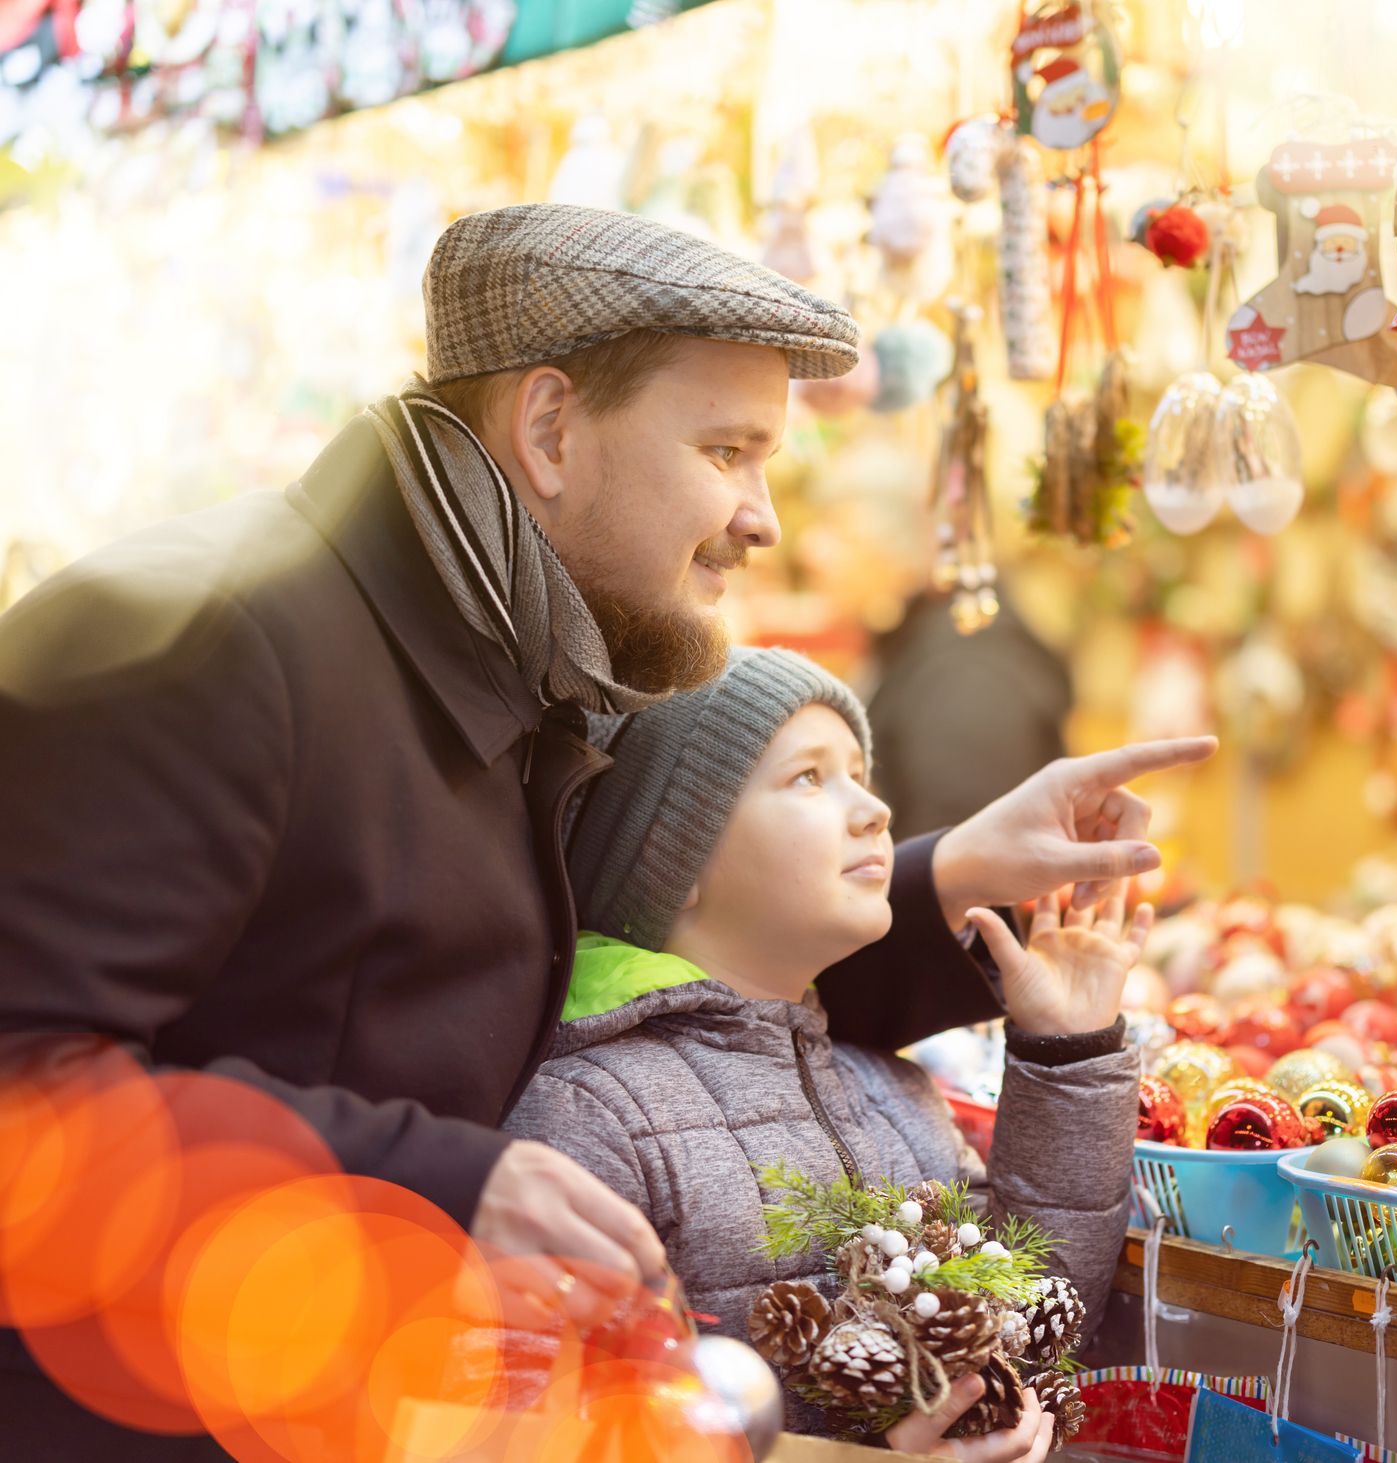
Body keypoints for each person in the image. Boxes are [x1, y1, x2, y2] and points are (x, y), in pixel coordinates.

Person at [0, 202, 1214, 1456]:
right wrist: (442, 1183)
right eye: (728, 450)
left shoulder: (511, 656)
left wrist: (952, 879)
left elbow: (623, 960)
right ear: (549, 428)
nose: (764, 516)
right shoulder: (210, 639)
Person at [507, 647, 1143, 1461]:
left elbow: (1031, 1316)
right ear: (675, 856)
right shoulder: (588, 1114)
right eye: (809, 777)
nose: (874, 808)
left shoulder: (892, 1089)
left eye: (858, 772)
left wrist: (1067, 1048)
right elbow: (549, 1429)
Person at [867, 583, 1074, 840]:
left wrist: (913, 876)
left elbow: (959, 824)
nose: (816, 558)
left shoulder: (967, 667)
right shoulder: (937, 639)